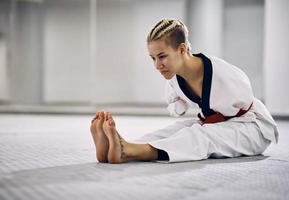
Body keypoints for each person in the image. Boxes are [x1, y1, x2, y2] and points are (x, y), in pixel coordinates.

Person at [90, 18, 278, 164]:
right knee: (174, 130)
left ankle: (129, 151)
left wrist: (205, 123)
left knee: (200, 135)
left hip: (252, 128)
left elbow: (239, 108)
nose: (157, 65)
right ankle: (121, 148)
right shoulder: (174, 79)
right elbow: (182, 111)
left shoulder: (224, 74)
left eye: (162, 56)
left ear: (182, 49)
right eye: (152, 58)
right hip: (216, 123)